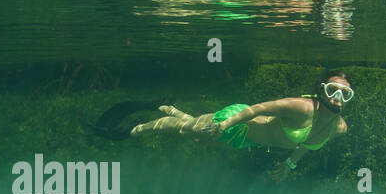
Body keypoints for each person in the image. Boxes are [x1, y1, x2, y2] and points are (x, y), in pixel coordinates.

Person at [90, 71, 353, 173]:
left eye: (345, 93)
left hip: (242, 138)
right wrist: (225, 125)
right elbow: (257, 109)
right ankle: (134, 130)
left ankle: (164, 107)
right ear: (321, 90)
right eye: (332, 89)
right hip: (236, 123)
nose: (337, 98)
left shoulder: (337, 127)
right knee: (188, 131)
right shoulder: (302, 107)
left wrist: (289, 165)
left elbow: (308, 143)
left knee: (192, 126)